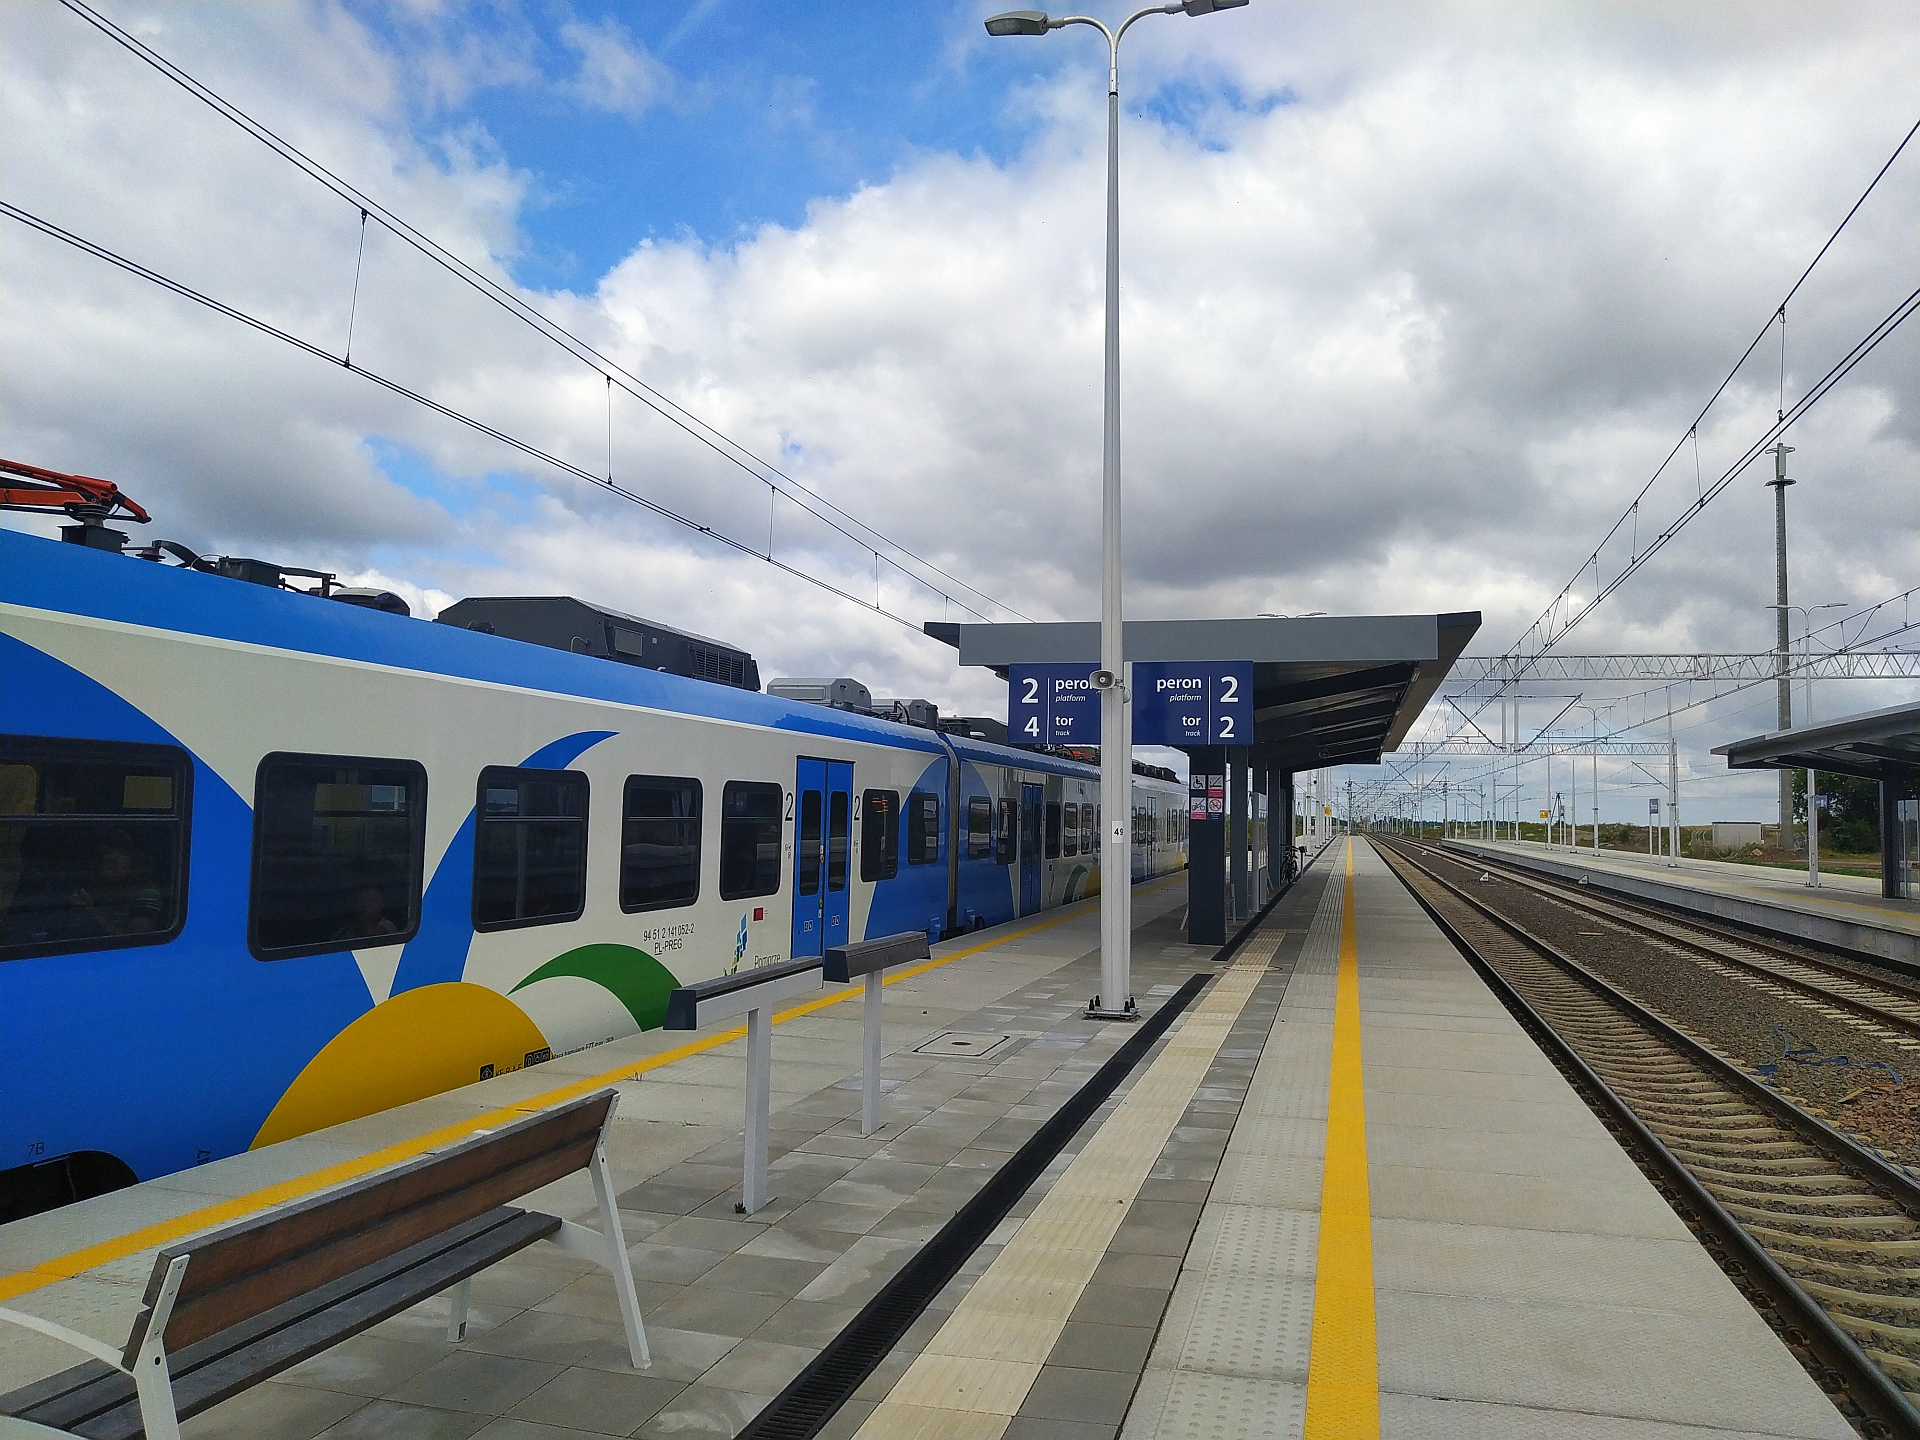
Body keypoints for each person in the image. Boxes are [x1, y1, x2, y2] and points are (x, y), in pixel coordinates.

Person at [332, 883, 397, 943]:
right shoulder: (345, 929)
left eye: (371, 900)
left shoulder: (388, 926)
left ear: (381, 904)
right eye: (361, 901)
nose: (365, 904)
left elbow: (371, 932)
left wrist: (365, 918)